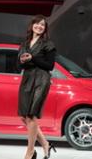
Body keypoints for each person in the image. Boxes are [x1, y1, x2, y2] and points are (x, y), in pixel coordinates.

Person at [16, 15, 57, 159]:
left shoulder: (48, 44)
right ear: (32, 25)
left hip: (41, 80)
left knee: (32, 115)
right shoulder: (25, 43)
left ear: (45, 28)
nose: (39, 26)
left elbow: (50, 66)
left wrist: (33, 58)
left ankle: (30, 152)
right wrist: (21, 61)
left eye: (42, 25)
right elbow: (17, 66)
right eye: (37, 24)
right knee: (24, 116)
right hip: (27, 79)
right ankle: (45, 143)